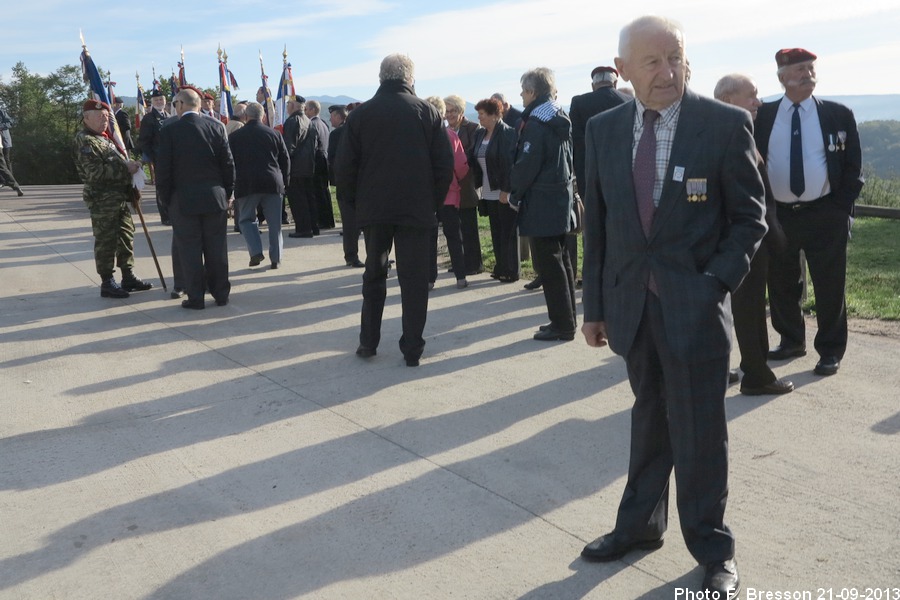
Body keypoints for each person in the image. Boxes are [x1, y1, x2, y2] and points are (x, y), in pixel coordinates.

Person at [580, 16, 767, 598]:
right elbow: (601, 226)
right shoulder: (604, 130)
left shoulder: (723, 124)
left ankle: (714, 550)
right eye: (652, 62)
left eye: (676, 58)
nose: (667, 72)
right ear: (624, 71)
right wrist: (594, 306)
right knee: (648, 419)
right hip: (632, 306)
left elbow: (750, 219)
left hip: (695, 306)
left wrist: (715, 281)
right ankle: (639, 527)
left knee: (701, 432)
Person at [335, 53, 454, 367]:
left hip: (375, 211)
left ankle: (368, 342)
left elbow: (345, 168)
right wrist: (434, 203)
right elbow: (444, 166)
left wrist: (353, 206)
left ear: (380, 78)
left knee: (374, 275)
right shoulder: (427, 112)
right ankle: (412, 348)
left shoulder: (361, 115)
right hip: (416, 211)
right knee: (414, 281)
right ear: (411, 79)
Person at [754, 48, 864, 377]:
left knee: (830, 285)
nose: (807, 75)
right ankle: (791, 340)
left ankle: (830, 350)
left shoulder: (837, 113)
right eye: (800, 69)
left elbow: (853, 167)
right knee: (782, 281)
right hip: (779, 215)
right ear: (782, 77)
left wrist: (839, 209)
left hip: (824, 213)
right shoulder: (764, 116)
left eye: (811, 69)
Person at [714, 73, 794, 396]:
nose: (758, 102)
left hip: (741, 237)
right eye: (752, 95)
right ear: (730, 100)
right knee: (748, 309)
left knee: (745, 308)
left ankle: (747, 368)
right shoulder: (731, 134)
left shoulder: (725, 129)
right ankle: (757, 376)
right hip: (744, 238)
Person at [510, 67, 577, 341]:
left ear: (533, 92)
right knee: (562, 262)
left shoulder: (537, 124)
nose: (522, 97)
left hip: (542, 202)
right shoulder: (559, 116)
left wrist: (515, 193)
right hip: (560, 198)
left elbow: (527, 165)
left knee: (550, 266)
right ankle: (567, 318)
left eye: (524, 91)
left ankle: (562, 325)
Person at [156, 88, 235, 310]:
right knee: (216, 248)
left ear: (180, 105)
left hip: (183, 200)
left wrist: (165, 198)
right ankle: (221, 295)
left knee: (189, 250)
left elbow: (164, 170)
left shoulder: (170, 130)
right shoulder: (216, 127)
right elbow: (228, 164)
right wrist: (228, 193)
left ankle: (196, 297)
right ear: (199, 105)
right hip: (214, 197)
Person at [73, 99, 153, 298]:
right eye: (100, 117)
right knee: (106, 240)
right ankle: (107, 281)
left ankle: (128, 276)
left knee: (126, 236)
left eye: (107, 118)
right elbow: (95, 173)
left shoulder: (106, 140)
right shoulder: (85, 140)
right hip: (102, 200)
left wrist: (130, 172)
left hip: (118, 198)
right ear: (86, 118)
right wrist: (126, 169)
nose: (104, 121)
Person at [229, 102, 290, 270]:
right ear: (263, 116)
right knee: (275, 224)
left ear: (246, 116)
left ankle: (256, 251)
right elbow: (285, 159)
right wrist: (285, 181)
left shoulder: (235, 137)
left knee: (246, 220)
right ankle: (276, 258)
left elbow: (229, 162)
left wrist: (230, 186)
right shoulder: (275, 134)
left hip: (247, 183)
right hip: (272, 182)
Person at [469, 98, 518, 283]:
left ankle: (511, 270)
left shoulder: (507, 133)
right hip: (488, 191)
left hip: (503, 192)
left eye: (482, 114)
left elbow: (509, 165)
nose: (479, 118)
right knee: (496, 232)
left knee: (508, 232)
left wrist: (506, 190)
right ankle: (500, 267)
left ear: (494, 115)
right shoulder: (481, 134)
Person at [426, 95, 469, 289]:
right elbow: (461, 165)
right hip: (449, 193)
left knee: (429, 238)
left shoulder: (420, 135)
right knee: (453, 236)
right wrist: (455, 179)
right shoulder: (451, 135)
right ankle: (460, 275)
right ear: (442, 113)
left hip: (426, 195)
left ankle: (429, 278)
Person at [444, 94, 485, 276]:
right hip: (452, 185)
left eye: (453, 111)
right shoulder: (445, 131)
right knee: (456, 227)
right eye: (447, 111)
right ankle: (460, 262)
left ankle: (474, 264)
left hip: (467, 182)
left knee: (469, 226)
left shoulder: (473, 129)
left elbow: (472, 153)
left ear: (461, 112)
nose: (449, 114)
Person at [328, 104, 363, 268]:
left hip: (349, 184)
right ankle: (352, 256)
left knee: (351, 224)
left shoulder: (340, 133)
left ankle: (352, 255)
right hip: (352, 184)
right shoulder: (339, 134)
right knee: (352, 224)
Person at [282, 95, 319, 238]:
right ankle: (313, 226)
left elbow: (288, 147)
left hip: (296, 167)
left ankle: (303, 228)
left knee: (298, 199)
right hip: (308, 166)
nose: (286, 107)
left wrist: (285, 166)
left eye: (288, 104)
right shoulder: (308, 121)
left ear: (293, 105)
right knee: (309, 197)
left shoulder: (292, 121)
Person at [138, 89, 170, 221]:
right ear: (152, 102)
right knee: (162, 186)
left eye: (161, 99)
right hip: (158, 158)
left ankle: (172, 213)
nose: (159, 102)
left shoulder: (169, 116)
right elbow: (144, 141)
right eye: (156, 100)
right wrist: (152, 157)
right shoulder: (148, 118)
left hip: (171, 158)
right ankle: (165, 215)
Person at [304, 99, 334, 230]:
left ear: (312, 110)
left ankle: (322, 220)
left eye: (306, 109)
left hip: (317, 160)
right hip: (324, 159)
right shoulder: (323, 123)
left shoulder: (312, 124)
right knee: (324, 191)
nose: (304, 112)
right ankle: (328, 220)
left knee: (317, 191)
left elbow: (312, 146)